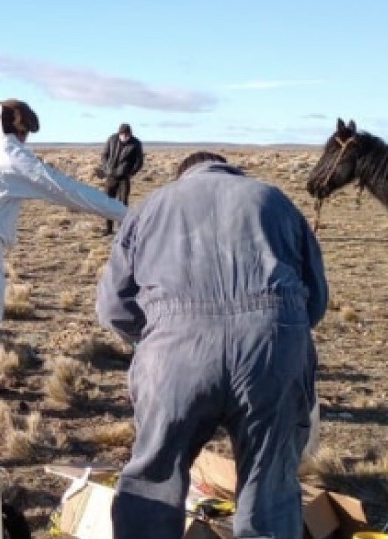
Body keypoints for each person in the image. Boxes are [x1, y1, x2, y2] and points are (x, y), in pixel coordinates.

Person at [95, 152, 328, 539]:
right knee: (268, 481)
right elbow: (315, 298)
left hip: (174, 355)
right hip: (271, 349)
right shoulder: (274, 199)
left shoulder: (151, 205)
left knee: (155, 473)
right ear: (231, 169)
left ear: (182, 173)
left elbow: (113, 308)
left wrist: (151, 341)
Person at [0, 100, 127, 414]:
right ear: (18, 129)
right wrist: (127, 214)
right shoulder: (8, 155)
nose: (26, 141)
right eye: (25, 133)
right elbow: (66, 190)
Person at [97, 123, 144, 235]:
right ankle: (108, 228)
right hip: (110, 176)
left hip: (124, 178)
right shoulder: (112, 139)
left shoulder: (136, 143)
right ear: (119, 133)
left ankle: (122, 229)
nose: (124, 136)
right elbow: (104, 155)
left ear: (130, 134)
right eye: (122, 134)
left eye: (127, 134)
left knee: (123, 203)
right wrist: (106, 167)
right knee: (107, 202)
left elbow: (139, 161)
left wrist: (131, 172)